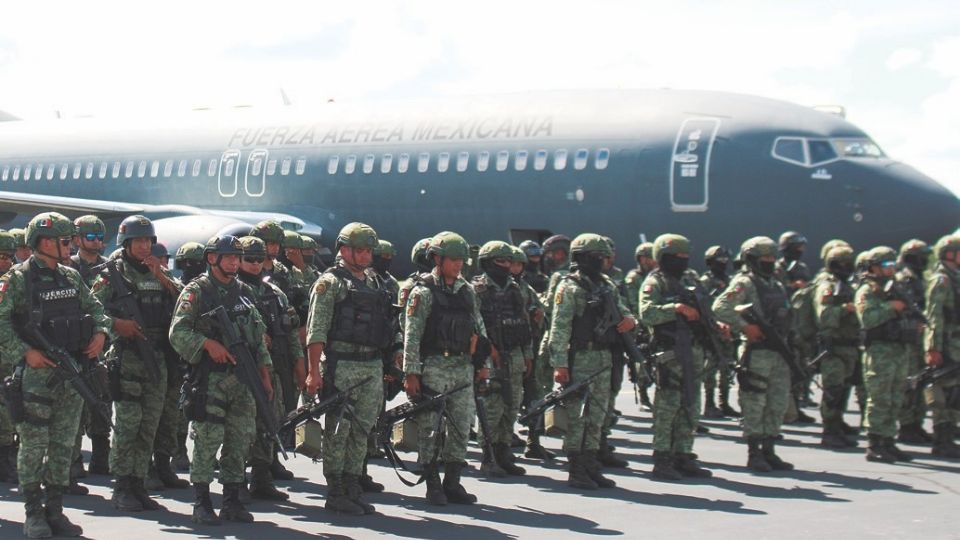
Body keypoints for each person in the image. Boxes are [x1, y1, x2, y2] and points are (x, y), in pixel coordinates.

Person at [0, 212, 111, 538]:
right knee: (34, 445)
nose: (71, 246)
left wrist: (101, 333)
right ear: (44, 243)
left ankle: (55, 510)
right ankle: (34, 514)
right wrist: (24, 352)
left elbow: (96, 310)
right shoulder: (17, 280)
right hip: (35, 376)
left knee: (64, 445)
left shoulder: (71, 277)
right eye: (65, 241)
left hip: (70, 373)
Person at [169, 234, 274, 525]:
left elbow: (258, 339)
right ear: (212, 259)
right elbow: (178, 333)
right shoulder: (197, 291)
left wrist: (265, 376)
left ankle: (232, 500)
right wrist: (207, 344)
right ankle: (202, 501)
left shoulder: (244, 291)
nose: (234, 262)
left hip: (243, 380)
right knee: (207, 440)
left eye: (237, 257)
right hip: (210, 380)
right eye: (228, 257)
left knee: (239, 440)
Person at [91, 215, 183, 511]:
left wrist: (160, 275)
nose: (145, 247)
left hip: (157, 356)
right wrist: (117, 324)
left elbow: (186, 301)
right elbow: (91, 311)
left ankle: (139, 483)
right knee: (128, 424)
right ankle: (121, 487)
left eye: (148, 241)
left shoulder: (157, 271)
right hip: (128, 357)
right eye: (139, 241)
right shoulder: (111, 275)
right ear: (126, 243)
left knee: (150, 424)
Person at [304, 223, 393, 515]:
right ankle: (335, 490)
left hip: (371, 364)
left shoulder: (375, 281)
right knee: (339, 430)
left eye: (369, 250)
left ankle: (353, 486)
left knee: (362, 430)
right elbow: (316, 331)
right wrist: (313, 372)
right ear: (344, 250)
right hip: (342, 364)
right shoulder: (329, 283)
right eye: (361, 250)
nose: (367, 256)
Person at [402, 231, 485, 506]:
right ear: (437, 258)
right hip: (433, 367)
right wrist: (411, 373)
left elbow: (478, 329)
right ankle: (433, 484)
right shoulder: (422, 292)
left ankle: (453, 482)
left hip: (462, 367)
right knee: (431, 429)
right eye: (453, 259)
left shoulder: (467, 292)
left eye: (462, 259)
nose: (459, 264)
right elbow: (411, 336)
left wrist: (483, 364)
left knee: (462, 426)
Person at [549, 233, 636, 489]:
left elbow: (623, 309)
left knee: (598, 415)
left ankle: (591, 464)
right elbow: (559, 328)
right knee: (579, 416)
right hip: (581, 357)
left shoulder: (607, 284)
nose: (601, 262)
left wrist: (630, 320)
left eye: (603, 257)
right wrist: (560, 364)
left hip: (605, 356)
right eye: (596, 258)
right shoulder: (569, 287)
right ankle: (576, 469)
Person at [713, 236, 795, 473]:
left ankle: (769, 450)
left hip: (778, 351)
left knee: (777, 402)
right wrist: (744, 326)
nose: (769, 262)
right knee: (754, 402)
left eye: (772, 258)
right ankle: (754, 452)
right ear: (752, 260)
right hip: (756, 352)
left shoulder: (776, 284)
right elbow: (720, 307)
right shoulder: (744, 283)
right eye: (765, 258)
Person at [639, 234, 711, 480]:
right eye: (676, 258)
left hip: (693, 350)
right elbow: (647, 314)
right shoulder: (655, 282)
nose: (682, 262)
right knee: (667, 407)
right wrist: (676, 309)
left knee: (691, 404)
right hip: (670, 352)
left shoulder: (691, 278)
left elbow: (704, 307)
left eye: (685, 257)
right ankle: (662, 458)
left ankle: (683, 453)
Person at [237, 236, 303, 500]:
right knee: (240, 427)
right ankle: (237, 481)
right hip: (241, 371)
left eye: (259, 259)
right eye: (249, 259)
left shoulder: (275, 293)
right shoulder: (231, 292)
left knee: (269, 421)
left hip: (274, 368)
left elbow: (291, 331)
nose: (255, 265)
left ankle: (262, 478)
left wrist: (300, 365)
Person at [472, 241, 532, 477]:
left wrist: (527, 355)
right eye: (501, 261)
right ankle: (488, 455)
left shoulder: (516, 289)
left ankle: (504, 451)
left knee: (511, 406)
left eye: (510, 261)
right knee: (492, 408)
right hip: (491, 357)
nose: (507, 266)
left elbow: (524, 323)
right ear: (487, 263)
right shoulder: (478, 290)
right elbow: (475, 325)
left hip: (515, 354)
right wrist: (489, 350)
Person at [856, 246, 916, 463]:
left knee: (895, 397)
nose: (890, 270)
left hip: (898, 349)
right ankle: (875, 443)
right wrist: (890, 307)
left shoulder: (896, 288)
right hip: (879, 351)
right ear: (874, 268)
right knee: (880, 397)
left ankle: (889, 441)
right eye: (886, 266)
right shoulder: (867, 291)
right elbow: (868, 319)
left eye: (892, 266)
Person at [812, 245, 861, 449]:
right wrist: (844, 309)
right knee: (833, 390)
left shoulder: (847, 284)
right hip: (834, 347)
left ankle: (838, 424)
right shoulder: (827, 286)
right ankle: (829, 431)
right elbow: (824, 316)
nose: (848, 267)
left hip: (849, 346)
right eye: (844, 263)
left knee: (844, 388)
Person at [922, 234, 960, 459]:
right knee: (943, 392)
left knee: (955, 392)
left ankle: (948, 437)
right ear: (949, 254)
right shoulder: (941, 280)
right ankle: (941, 440)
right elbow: (934, 316)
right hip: (945, 344)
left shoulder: (954, 277)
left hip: (956, 343)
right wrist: (933, 347)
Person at [895, 239, 933, 444]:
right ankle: (907, 425)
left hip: (921, 338)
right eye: (922, 257)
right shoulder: (903, 279)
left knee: (922, 380)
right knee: (909, 382)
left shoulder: (922, 279)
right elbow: (903, 308)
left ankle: (917, 423)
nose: (926, 260)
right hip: (909, 339)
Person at [700, 246, 739, 419]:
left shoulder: (730, 281)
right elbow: (704, 306)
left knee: (726, 367)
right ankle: (709, 404)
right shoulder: (705, 282)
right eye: (719, 260)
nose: (723, 263)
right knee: (710, 368)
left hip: (728, 331)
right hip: (711, 330)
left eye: (725, 260)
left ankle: (724, 403)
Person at [0, 231, 20, 484]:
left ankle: (7, 458)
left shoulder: (18, 281)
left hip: (12, 357)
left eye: (8, 256)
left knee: (10, 410)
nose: (4, 262)